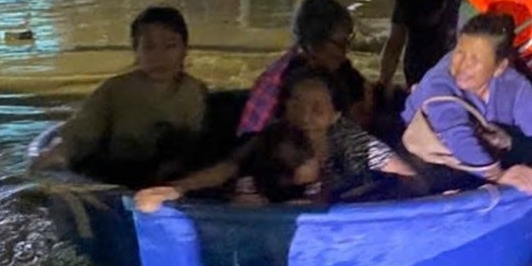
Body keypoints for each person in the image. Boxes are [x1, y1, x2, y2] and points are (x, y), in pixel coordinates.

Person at [137, 69, 416, 209]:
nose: (305, 115)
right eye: (296, 104)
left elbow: (408, 177)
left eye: (317, 107)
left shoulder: (354, 142)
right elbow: (227, 168)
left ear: (336, 114)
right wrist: (177, 189)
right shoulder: (272, 137)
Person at [401, 13, 532, 195]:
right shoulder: (438, 83)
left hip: (487, 138)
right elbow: (456, 133)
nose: (463, 65)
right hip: (431, 154)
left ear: (500, 67)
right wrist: (499, 176)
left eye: (475, 60)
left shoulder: (513, 84)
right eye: (459, 53)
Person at [33, 6, 210, 188]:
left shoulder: (195, 91)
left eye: (170, 46)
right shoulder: (115, 90)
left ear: (185, 50)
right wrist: (58, 155)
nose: (160, 56)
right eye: (149, 47)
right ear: (136, 51)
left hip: (173, 178)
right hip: (117, 174)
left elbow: (202, 146)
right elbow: (79, 134)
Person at [235, 0, 370, 137]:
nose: (345, 52)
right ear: (314, 45)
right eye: (341, 44)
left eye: (348, 41)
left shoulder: (333, 66)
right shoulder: (284, 82)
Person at [378, 0, 461, 95]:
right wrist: (383, 83)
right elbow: (395, 41)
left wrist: (383, 84)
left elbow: (395, 41)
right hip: (433, 73)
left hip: (422, 74)